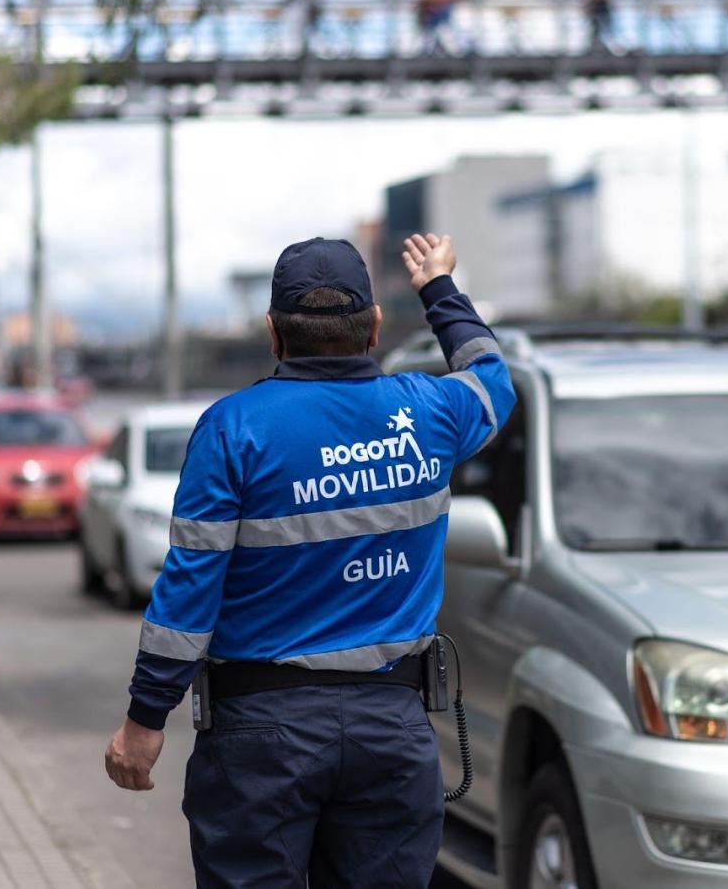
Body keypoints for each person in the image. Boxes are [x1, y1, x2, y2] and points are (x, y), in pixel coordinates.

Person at [103, 233, 515, 888]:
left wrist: (144, 721)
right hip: (393, 732)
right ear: (375, 326)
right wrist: (439, 287)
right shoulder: (431, 411)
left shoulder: (232, 428)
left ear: (273, 332)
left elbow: (188, 593)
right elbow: (494, 378)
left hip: (260, 741)